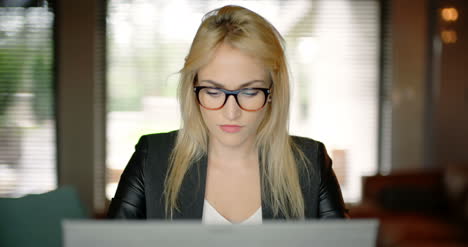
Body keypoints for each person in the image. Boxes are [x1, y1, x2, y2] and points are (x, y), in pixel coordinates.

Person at [108, 5, 348, 223]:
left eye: (250, 91)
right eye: (213, 91)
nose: (231, 112)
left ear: (273, 91)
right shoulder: (151, 158)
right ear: (193, 89)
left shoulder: (311, 164)